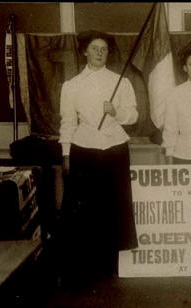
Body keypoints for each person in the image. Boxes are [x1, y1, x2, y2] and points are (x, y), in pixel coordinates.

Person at [57, 30, 138, 281]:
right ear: (85, 51)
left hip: (115, 149)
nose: (100, 53)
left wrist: (116, 113)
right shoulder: (71, 86)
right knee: (84, 209)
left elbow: (134, 116)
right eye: (94, 48)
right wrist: (66, 154)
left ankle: (111, 264)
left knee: (113, 205)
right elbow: (68, 122)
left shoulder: (121, 82)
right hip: (83, 149)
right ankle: (84, 265)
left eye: (103, 49)